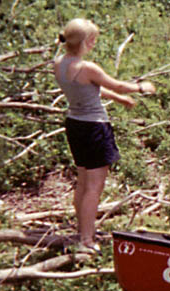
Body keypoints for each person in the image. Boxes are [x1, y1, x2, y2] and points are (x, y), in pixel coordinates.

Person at [54, 18, 155, 254]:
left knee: (83, 181)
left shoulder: (59, 63)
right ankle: (87, 239)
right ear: (88, 41)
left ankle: (83, 229)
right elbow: (117, 84)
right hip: (94, 128)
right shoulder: (87, 68)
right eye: (94, 40)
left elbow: (93, 87)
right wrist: (141, 87)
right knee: (94, 187)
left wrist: (119, 100)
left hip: (75, 124)